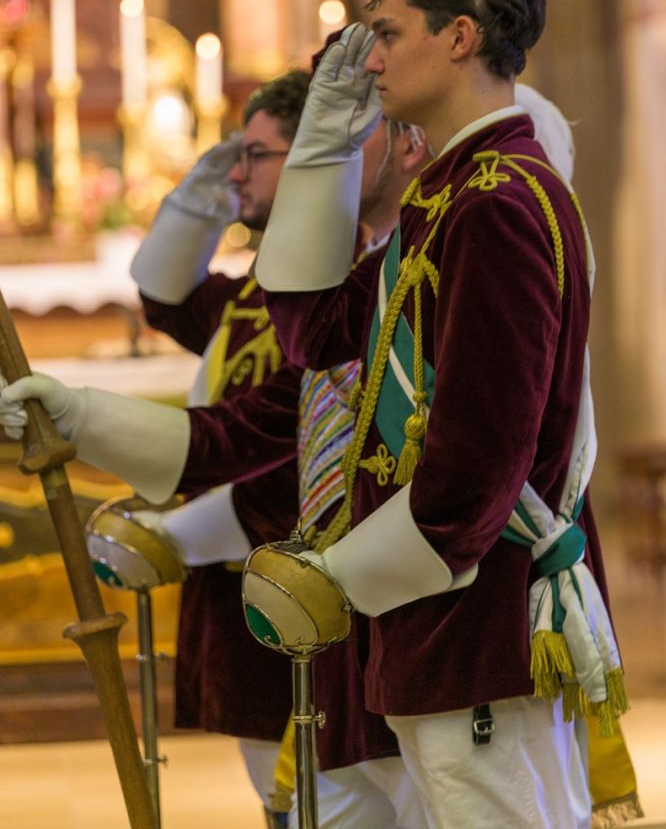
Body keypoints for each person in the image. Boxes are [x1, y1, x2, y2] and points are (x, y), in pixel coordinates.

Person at [249, 0, 636, 828]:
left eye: (385, 33)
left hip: (479, 626)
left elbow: (473, 472)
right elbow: (313, 329)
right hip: (434, 617)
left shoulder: (499, 201)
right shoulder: (451, 194)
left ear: (460, 36)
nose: (369, 63)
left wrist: (334, 579)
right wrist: (321, 150)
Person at [0, 69, 434, 828]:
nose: (238, 171)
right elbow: (189, 336)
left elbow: (302, 461)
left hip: (335, 584)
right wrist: (202, 197)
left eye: (258, 156)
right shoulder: (261, 295)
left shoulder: (387, 281)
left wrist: (175, 533)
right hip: (266, 590)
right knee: (303, 803)